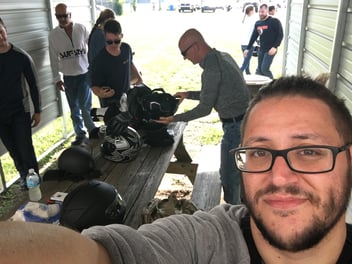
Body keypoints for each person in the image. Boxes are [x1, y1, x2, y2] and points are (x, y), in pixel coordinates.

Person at [2, 76, 352, 263]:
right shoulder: (206, 242)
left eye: (308, 151)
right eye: (259, 153)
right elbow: (109, 256)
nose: (279, 176)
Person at [157, 28, 250, 205]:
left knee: (230, 178)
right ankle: (244, 210)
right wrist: (188, 94)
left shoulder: (211, 69)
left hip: (235, 129)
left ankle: (233, 220)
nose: (185, 58)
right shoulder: (223, 56)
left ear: (197, 46)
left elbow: (204, 109)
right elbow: (215, 92)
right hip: (245, 123)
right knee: (242, 173)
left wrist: (173, 119)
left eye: (185, 53)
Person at [0, 17, 41, 190]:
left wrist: (37, 110)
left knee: (25, 148)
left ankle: (35, 180)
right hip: (1, 116)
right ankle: (24, 175)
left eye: (0, 32)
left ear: (5, 30)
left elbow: (34, 84)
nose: (0, 37)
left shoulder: (21, 57)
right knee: (13, 150)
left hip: (19, 111)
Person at [49, 3, 98, 146]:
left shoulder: (81, 28)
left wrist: (95, 69)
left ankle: (92, 131)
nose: (62, 19)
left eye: (65, 15)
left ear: (70, 14)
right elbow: (53, 58)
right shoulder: (53, 35)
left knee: (84, 106)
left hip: (84, 74)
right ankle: (80, 134)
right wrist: (57, 78)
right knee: (74, 108)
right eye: (59, 16)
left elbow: (93, 46)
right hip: (68, 77)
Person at [90, 19, 143, 108]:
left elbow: (130, 63)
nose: (113, 45)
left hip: (128, 99)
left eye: (117, 41)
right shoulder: (99, 60)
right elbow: (94, 86)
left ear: (121, 36)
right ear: (105, 38)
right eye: (109, 42)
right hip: (110, 104)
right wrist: (101, 93)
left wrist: (138, 76)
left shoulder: (126, 48)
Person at [244, 3, 283, 79]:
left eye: (263, 12)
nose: (261, 13)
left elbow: (280, 35)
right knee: (259, 71)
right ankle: (261, 87)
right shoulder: (258, 23)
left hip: (271, 49)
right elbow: (253, 37)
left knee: (264, 69)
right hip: (261, 49)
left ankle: (273, 86)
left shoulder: (274, 21)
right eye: (259, 12)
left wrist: (275, 47)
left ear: (267, 11)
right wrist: (248, 48)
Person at [239, 5, 257, 74]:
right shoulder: (253, 20)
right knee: (246, 62)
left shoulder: (244, 19)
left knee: (246, 61)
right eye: (254, 10)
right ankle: (238, 73)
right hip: (249, 44)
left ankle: (248, 74)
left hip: (243, 43)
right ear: (251, 11)